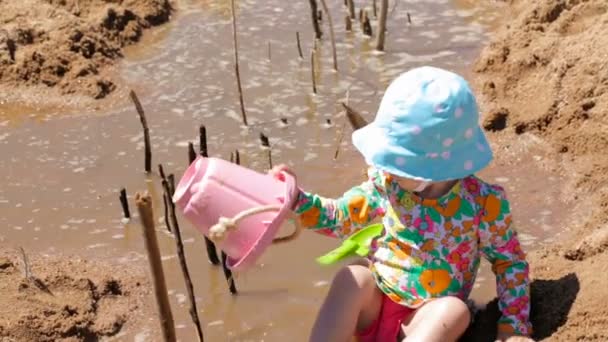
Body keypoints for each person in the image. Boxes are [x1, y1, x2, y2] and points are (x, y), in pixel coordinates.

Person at [270, 66, 533, 342]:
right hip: (376, 306)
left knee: (455, 311)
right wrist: (297, 200)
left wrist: (514, 328)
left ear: (431, 169)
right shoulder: (386, 184)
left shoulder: (483, 203)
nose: (383, 166)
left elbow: (509, 263)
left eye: (396, 162)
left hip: (422, 323)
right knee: (351, 278)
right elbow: (338, 217)